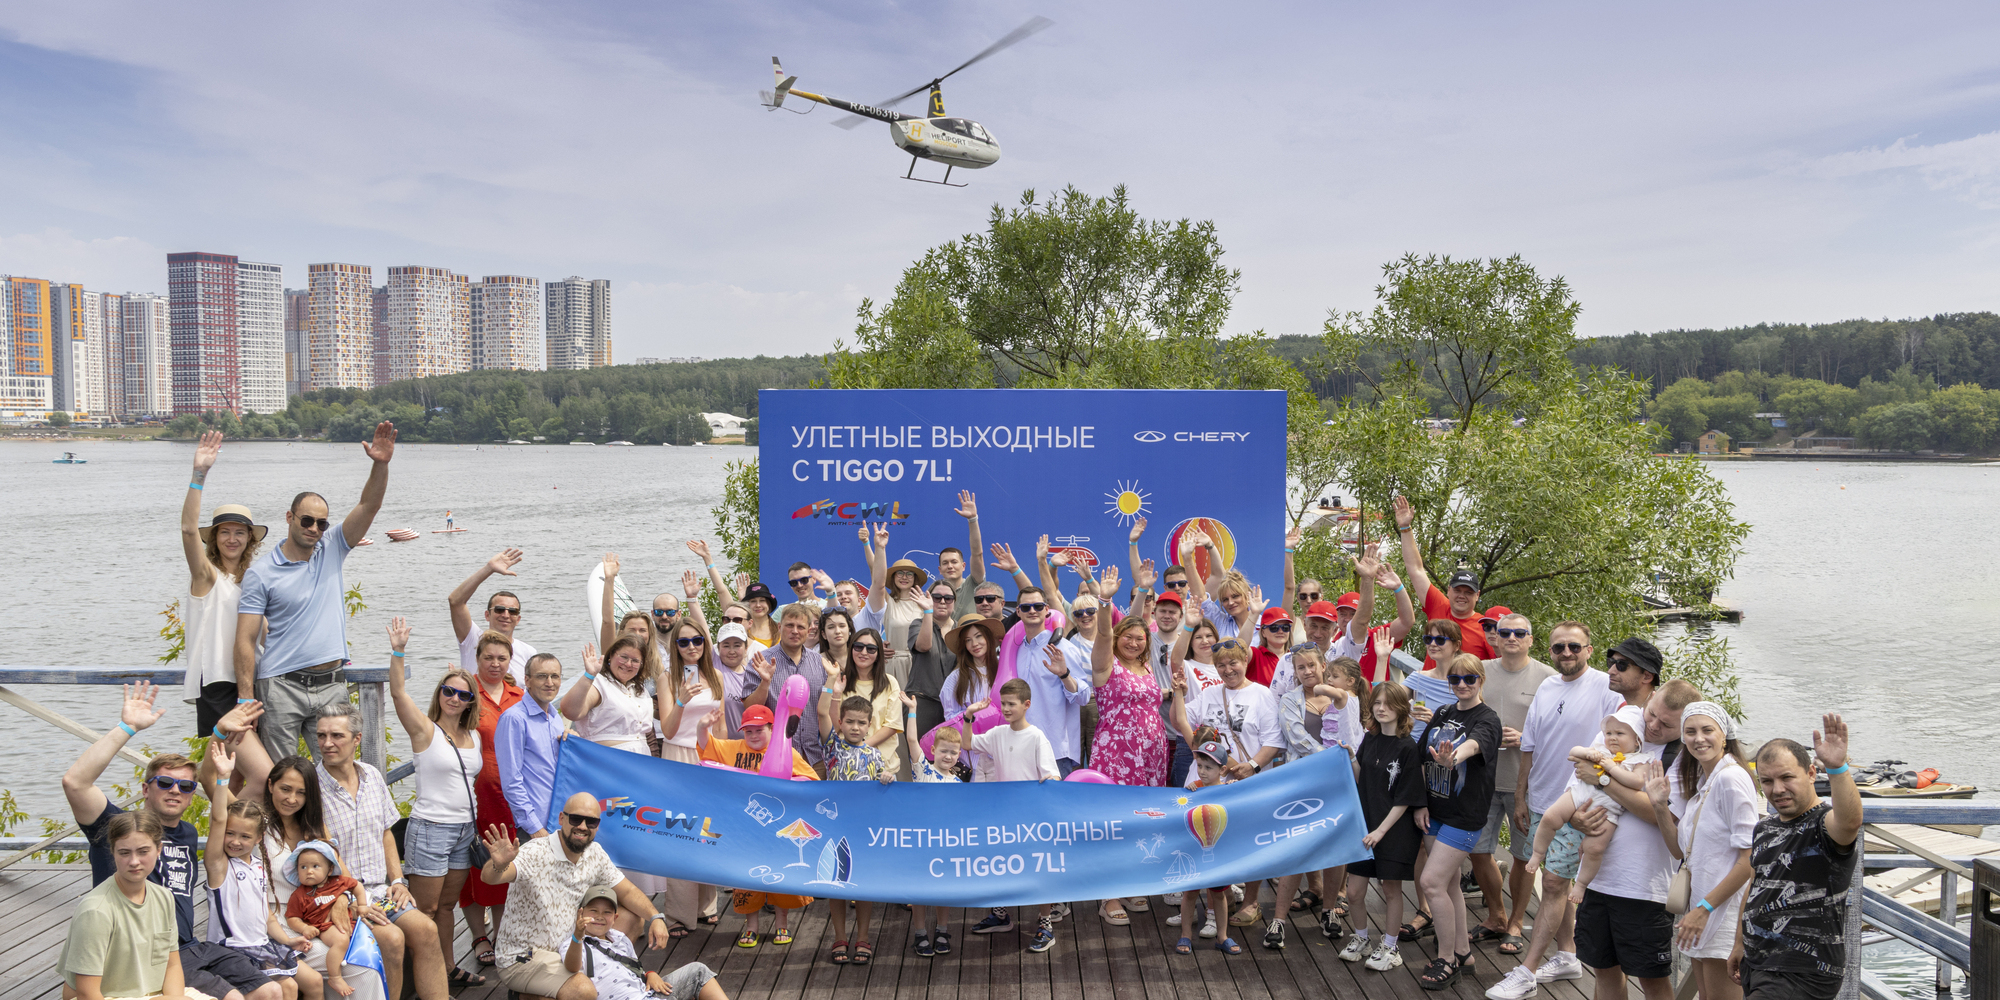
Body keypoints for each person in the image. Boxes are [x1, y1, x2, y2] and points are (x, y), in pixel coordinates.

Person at [63, 682, 280, 1000]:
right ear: (146, 788)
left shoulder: (189, 833)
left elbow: (221, 787)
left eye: (185, 787)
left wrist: (218, 732)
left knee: (271, 990)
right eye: (165, 782)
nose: (176, 790)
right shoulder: (120, 829)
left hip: (188, 945)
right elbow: (75, 782)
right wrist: (127, 727)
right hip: (145, 953)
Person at [236, 420, 396, 763]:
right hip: (281, 686)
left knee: (339, 770)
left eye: (322, 523)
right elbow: (245, 641)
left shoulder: (333, 547)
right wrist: (246, 700)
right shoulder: (260, 573)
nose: (314, 529)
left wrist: (380, 465)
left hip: (332, 685)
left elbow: (368, 506)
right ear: (289, 517)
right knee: (282, 777)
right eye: (307, 520)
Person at [1487, 621, 1627, 1000]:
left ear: (1589, 650)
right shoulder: (1548, 686)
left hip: (1578, 806)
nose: (1566, 653)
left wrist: (1601, 792)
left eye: (1574, 647)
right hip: (1540, 802)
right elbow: (1529, 746)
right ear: (1548, 651)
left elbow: (1625, 745)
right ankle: (1567, 954)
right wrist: (1521, 796)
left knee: (1551, 884)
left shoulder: (1606, 688)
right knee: (1556, 881)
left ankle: (1527, 972)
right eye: (1559, 647)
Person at [1570, 677, 1704, 1000]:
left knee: (1652, 979)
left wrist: (1603, 780)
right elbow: (1577, 786)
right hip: (1597, 878)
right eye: (1652, 714)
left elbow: (1659, 815)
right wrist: (1576, 819)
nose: (1653, 726)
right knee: (1604, 971)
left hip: (1644, 887)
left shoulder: (1683, 758)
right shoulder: (1620, 729)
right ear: (1651, 697)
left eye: (1666, 724)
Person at [311, 701, 449, 1000]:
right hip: (341, 896)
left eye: (336, 735)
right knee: (392, 938)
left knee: (427, 930)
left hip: (378, 890)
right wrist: (352, 898)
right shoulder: (312, 787)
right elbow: (326, 850)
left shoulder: (371, 775)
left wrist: (398, 880)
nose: (327, 743)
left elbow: (386, 832)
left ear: (356, 739)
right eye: (321, 735)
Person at [479, 792, 673, 1000]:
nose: (582, 826)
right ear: (562, 818)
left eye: (590, 821)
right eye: (575, 819)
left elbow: (627, 891)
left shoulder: (594, 852)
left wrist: (656, 917)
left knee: (633, 919)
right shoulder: (536, 851)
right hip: (526, 956)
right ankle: (526, 996)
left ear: (597, 826)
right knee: (583, 991)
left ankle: (602, 979)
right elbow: (491, 877)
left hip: (572, 946)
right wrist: (498, 864)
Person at [385, 618, 487, 990]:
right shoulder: (425, 730)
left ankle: (446, 969)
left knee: (446, 906)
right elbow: (398, 694)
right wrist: (398, 651)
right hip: (431, 828)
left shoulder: (473, 735)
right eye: (449, 691)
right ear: (439, 692)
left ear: (471, 701)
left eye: (463, 695)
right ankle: (420, 983)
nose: (455, 699)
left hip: (464, 830)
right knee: (423, 909)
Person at [1736, 717, 1861, 1000]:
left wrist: (1838, 768)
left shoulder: (1823, 826)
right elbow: (1755, 886)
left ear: (1811, 773)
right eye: (1767, 781)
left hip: (1802, 971)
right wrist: (1738, 944)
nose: (1777, 789)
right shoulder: (1764, 827)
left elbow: (1850, 822)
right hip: (1758, 963)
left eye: (1787, 777)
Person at [1643, 702, 1758, 1000]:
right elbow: (1679, 852)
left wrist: (1704, 910)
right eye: (1690, 731)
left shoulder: (1731, 779)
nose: (1699, 738)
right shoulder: (1706, 782)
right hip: (1701, 909)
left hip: (1721, 913)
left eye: (1708, 730)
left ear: (1724, 736)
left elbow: (1750, 859)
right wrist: (1659, 806)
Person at [1170, 624, 1282, 929]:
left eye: (1233, 663)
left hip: (1247, 783)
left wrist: (1253, 766)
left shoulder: (1262, 694)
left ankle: (1251, 902)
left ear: (1245, 661)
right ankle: (1213, 905)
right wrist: (1179, 692)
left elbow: (1274, 739)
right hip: (1209, 781)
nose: (1228, 669)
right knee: (1207, 843)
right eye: (1221, 665)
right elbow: (1181, 722)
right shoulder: (1209, 693)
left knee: (1250, 842)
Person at [198, 740, 317, 999]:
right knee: (284, 987)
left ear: (259, 838)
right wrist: (223, 778)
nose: (235, 842)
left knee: (295, 985)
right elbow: (218, 819)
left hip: (260, 944)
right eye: (230, 834)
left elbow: (268, 917)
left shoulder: (258, 867)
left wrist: (287, 940)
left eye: (244, 836)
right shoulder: (220, 866)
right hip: (230, 949)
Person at [1414, 653, 1502, 990]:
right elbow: (1421, 757)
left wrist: (1454, 757)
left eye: (1469, 678)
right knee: (1448, 884)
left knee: (1431, 882)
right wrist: (1419, 804)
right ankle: (1463, 953)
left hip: (1464, 816)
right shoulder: (1443, 712)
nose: (1462, 684)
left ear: (1481, 680)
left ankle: (1446, 958)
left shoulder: (1488, 718)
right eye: (1455, 679)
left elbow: (1475, 745)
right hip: (1434, 810)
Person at [1468, 612, 1555, 949]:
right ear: (1495, 638)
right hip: (1483, 779)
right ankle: (1496, 915)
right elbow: (1461, 708)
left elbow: (1560, 732)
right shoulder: (1480, 671)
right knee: (1477, 850)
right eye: (1504, 633)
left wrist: (1527, 739)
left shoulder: (1548, 679)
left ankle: (1516, 923)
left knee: (1524, 857)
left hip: (1527, 784)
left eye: (1520, 633)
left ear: (1531, 639)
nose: (1511, 638)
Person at [1086, 574, 1168, 928]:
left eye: (1140, 638)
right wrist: (1105, 603)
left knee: (1142, 821)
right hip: (1117, 754)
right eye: (1128, 637)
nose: (1133, 642)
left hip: (1152, 755)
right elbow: (1104, 634)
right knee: (1114, 822)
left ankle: (1133, 882)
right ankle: (1109, 895)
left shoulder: (1147, 667)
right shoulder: (1107, 664)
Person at [961, 679, 1064, 950]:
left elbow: (1052, 775)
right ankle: (1000, 914)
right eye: (1003, 703)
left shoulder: (1037, 736)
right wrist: (969, 715)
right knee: (1000, 862)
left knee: (1039, 868)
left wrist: (1051, 780)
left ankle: (1046, 925)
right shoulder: (997, 733)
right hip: (1004, 813)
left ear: (1026, 705)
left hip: (1031, 816)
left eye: (1011, 704)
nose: (1006, 709)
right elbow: (967, 742)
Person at [1331, 680, 1425, 972]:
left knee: (1390, 888)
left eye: (1388, 704)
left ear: (1401, 708)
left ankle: (1390, 946)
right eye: (1377, 703)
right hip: (1366, 826)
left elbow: (1405, 797)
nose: (1382, 709)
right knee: (1354, 891)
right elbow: (1363, 778)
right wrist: (1351, 757)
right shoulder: (1370, 739)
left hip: (1394, 829)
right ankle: (1361, 938)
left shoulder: (1408, 747)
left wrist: (1381, 831)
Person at [180, 430, 268, 737]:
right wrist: (199, 474)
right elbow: (188, 530)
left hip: (253, 682)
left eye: (240, 532)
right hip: (217, 681)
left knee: (239, 765)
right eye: (225, 532)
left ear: (250, 539)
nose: (232, 539)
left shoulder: (253, 582)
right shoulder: (207, 577)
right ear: (214, 538)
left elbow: (267, 636)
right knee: (241, 761)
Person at [1525, 706, 1655, 898]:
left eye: (1620, 733)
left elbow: (1637, 782)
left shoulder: (1640, 760)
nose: (1612, 738)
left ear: (1637, 740)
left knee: (1594, 849)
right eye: (1609, 733)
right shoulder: (1601, 750)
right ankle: (1537, 854)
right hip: (1580, 793)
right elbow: (1574, 751)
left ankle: (1581, 884)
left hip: (1608, 810)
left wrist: (1612, 768)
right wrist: (1587, 754)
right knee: (1551, 816)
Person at [62, 810, 190, 1000]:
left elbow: (172, 965)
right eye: (124, 853)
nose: (134, 861)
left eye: (143, 851)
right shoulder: (96, 911)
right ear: (112, 852)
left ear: (159, 849)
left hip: (152, 994)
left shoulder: (164, 897)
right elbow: (86, 993)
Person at [456, 626, 523, 968]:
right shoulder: (467, 695)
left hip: (510, 797)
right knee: (472, 864)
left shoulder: (520, 694)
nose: (495, 664)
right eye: (488, 657)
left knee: (504, 862)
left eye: (502, 657)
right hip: (475, 794)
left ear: (510, 660)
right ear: (477, 658)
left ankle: (503, 935)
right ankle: (478, 935)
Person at [567, 886, 729, 1000]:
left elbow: (634, 970)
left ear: (615, 918)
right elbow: (572, 966)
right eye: (593, 910)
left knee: (698, 971)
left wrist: (650, 974)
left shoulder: (620, 938)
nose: (600, 916)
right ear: (580, 914)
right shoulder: (575, 943)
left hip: (647, 994)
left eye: (607, 912)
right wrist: (577, 937)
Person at [1391, 495, 1495, 663]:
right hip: (1429, 680)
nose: (1462, 596)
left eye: (1468, 592)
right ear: (1448, 591)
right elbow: (1416, 569)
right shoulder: (1439, 606)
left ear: (1477, 595)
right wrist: (1405, 527)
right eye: (1458, 590)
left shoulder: (1485, 628)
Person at [1008, 583, 1093, 776]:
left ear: (1047, 610)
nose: (1032, 611)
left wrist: (1064, 674)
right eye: (1026, 607)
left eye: (1038, 606)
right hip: (1019, 747)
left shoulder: (1063, 648)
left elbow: (1084, 697)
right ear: (1018, 612)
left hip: (1054, 750)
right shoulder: (1015, 650)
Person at [1172, 740, 1246, 956]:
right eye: (1200, 766)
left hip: (1219, 852)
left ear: (1222, 770)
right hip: (1195, 850)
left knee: (1219, 894)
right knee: (1190, 893)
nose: (1202, 771)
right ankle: (1186, 935)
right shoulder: (1194, 788)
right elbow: (1180, 810)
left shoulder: (1228, 789)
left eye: (1208, 767)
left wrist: (1235, 790)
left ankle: (1222, 936)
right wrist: (1187, 793)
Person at [745, 603, 829, 769]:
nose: (795, 631)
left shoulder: (821, 663)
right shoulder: (761, 661)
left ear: (809, 630)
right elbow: (749, 708)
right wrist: (765, 682)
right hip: (774, 756)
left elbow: (827, 711)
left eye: (801, 627)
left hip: (814, 757)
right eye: (790, 625)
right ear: (779, 627)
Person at [497, 653, 569, 838]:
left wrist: (573, 743)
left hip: (558, 823)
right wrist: (534, 828)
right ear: (527, 681)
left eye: (555, 676)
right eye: (542, 676)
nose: (549, 682)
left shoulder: (555, 719)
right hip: (534, 828)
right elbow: (511, 781)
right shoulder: (514, 719)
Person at [282, 841, 363, 998]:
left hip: (350, 923)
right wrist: (304, 928)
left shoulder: (338, 881)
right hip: (325, 926)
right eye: (303, 867)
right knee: (341, 940)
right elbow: (292, 918)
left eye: (315, 866)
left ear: (330, 869)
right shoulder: (299, 895)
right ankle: (335, 977)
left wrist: (363, 904)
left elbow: (356, 886)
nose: (309, 871)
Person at [819, 626, 904, 773]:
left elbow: (892, 726)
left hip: (883, 767)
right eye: (858, 647)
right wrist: (837, 694)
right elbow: (834, 727)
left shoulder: (890, 683)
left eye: (871, 649)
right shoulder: (840, 681)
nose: (864, 652)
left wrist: (860, 748)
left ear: (878, 653)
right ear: (851, 649)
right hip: (846, 765)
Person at [449, 549, 537, 683]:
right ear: (487, 615)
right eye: (499, 609)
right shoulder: (473, 639)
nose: (506, 615)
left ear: (518, 619)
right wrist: (488, 569)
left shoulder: (529, 652)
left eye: (512, 611)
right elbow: (455, 601)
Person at [865, 521, 931, 690]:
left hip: (920, 665)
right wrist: (874, 546)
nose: (904, 577)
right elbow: (875, 574)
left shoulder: (925, 604)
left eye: (909, 574)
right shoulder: (888, 602)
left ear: (915, 579)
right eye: (899, 573)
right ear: (892, 578)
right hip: (892, 666)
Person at [938, 613, 1003, 779]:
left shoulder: (1003, 671)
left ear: (988, 637)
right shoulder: (955, 679)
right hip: (970, 757)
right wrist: (972, 717)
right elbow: (951, 720)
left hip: (1001, 752)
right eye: (968, 640)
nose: (974, 644)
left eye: (979, 636)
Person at [905, 580, 961, 754]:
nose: (942, 601)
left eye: (948, 598)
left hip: (952, 707)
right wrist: (928, 612)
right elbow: (924, 646)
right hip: (922, 702)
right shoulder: (918, 623)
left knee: (950, 758)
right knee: (920, 757)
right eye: (936, 597)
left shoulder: (961, 629)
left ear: (954, 602)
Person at [940, 489, 989, 608]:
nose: (950, 566)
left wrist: (972, 519)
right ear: (940, 569)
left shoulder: (974, 584)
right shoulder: (934, 593)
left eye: (954, 562)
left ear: (963, 566)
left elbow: (977, 554)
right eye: (945, 563)